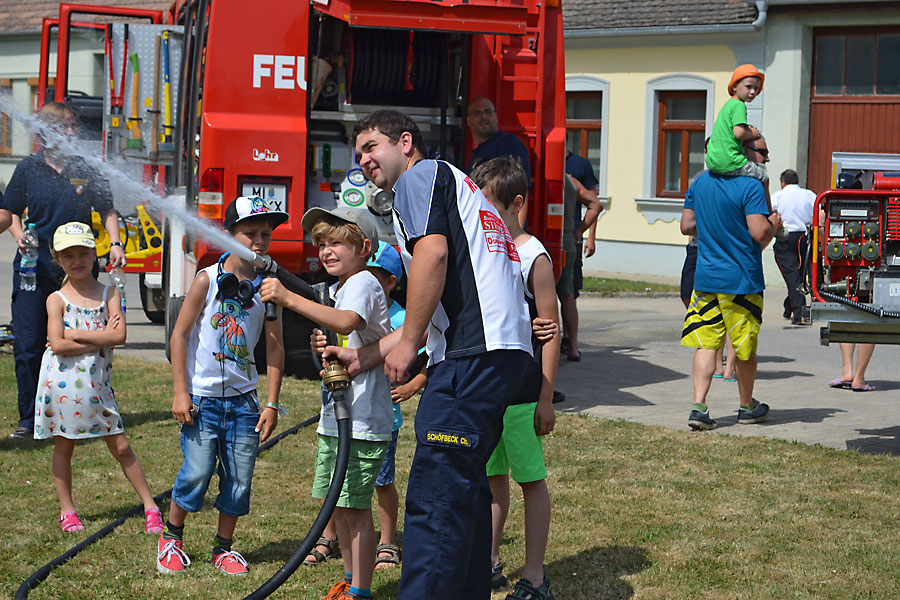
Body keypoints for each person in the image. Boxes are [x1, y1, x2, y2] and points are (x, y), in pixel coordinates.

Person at [338, 110, 533, 599]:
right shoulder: (457, 183)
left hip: (473, 355)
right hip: (497, 354)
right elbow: (443, 297)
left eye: (371, 146)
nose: (363, 159)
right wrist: (366, 357)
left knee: (437, 493)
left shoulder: (419, 176)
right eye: (357, 152)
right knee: (465, 489)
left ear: (405, 142)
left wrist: (406, 344)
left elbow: (434, 257)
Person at [262, 206, 392, 600]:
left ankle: (361, 590)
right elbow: (345, 333)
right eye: (322, 244)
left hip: (363, 419)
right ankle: (352, 583)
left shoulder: (365, 282)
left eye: (338, 242)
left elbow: (347, 322)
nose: (327, 251)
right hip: (338, 419)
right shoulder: (342, 287)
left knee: (357, 509)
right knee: (343, 507)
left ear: (364, 247)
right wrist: (327, 345)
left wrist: (287, 298)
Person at [158, 196, 286, 576]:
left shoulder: (268, 290)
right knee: (196, 472)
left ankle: (223, 548)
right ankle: (171, 536)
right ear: (229, 234)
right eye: (250, 234)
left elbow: (276, 349)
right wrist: (181, 391)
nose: (259, 242)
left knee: (238, 479)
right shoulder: (207, 280)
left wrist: (272, 402)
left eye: (266, 234)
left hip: (245, 404)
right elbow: (179, 336)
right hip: (202, 401)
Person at [0, 102, 126, 439]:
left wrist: (115, 243)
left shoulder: (85, 168)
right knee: (29, 346)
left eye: (73, 126)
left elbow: (108, 209)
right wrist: (19, 235)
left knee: (90, 343)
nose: (72, 131)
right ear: (45, 132)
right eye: (65, 126)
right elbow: (10, 211)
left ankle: (88, 408)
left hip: (80, 273)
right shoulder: (28, 168)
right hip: (35, 271)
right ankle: (29, 419)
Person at [35, 221, 163, 533]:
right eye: (68, 256)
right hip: (61, 385)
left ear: (95, 254)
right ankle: (67, 510)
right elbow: (58, 345)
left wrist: (76, 332)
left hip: (97, 385)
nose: (77, 261)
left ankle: (151, 506)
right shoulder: (56, 299)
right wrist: (100, 334)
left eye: (83, 253)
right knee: (64, 446)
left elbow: (119, 336)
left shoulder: (109, 293)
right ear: (58, 259)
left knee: (120, 446)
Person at [472, 156, 558, 600]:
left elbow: (551, 331)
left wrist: (545, 398)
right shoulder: (486, 250)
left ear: (517, 202)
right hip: (490, 392)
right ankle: (487, 562)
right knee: (491, 480)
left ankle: (536, 576)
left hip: (524, 396)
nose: (481, 215)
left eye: (488, 206)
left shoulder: (533, 256)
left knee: (529, 481)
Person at [680, 135, 783, 430]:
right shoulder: (750, 186)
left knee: (705, 344)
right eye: (759, 151)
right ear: (741, 153)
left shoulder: (700, 182)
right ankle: (746, 406)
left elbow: (686, 225)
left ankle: (698, 407)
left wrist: (716, 220)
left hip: (706, 277)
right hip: (741, 281)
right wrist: (772, 227)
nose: (762, 157)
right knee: (745, 346)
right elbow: (759, 233)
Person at [368, 240, 426, 570]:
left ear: (392, 282)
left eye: (375, 277)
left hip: (383, 418)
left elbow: (432, 352)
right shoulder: (349, 310)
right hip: (349, 415)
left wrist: (414, 384)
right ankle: (329, 534)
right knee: (339, 478)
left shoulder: (404, 318)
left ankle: (387, 541)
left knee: (382, 480)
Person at [705, 64, 772, 209]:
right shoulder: (739, 105)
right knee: (763, 176)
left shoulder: (727, 106)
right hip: (730, 160)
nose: (753, 92)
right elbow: (739, 133)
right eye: (748, 87)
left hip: (713, 162)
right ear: (735, 86)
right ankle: (768, 214)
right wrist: (753, 133)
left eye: (756, 88)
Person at [558, 152, 602, 361]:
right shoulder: (570, 180)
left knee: (543, 296)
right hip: (567, 240)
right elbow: (596, 204)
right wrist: (579, 231)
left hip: (540, 239)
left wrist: (580, 231)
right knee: (567, 295)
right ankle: (573, 346)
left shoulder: (532, 175)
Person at [772, 169, 816, 325]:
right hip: (805, 237)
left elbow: (771, 215)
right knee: (804, 273)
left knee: (792, 274)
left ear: (783, 182)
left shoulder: (777, 196)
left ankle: (799, 312)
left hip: (786, 236)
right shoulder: (809, 194)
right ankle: (790, 306)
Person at [464, 97, 531, 177]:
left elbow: (521, 185)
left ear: (496, 116)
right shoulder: (476, 155)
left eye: (488, 112)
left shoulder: (509, 143)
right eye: (477, 113)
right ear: (468, 120)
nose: (483, 116)